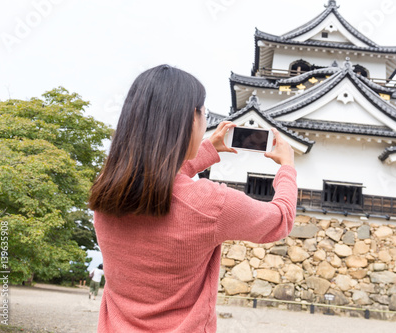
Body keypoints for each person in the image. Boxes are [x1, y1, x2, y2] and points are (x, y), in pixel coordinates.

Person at [88, 64, 297, 332]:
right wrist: (287, 167)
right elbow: (281, 219)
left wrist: (208, 149)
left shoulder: (106, 193)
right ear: (189, 120)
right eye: (203, 112)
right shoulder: (211, 204)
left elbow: (159, 181)